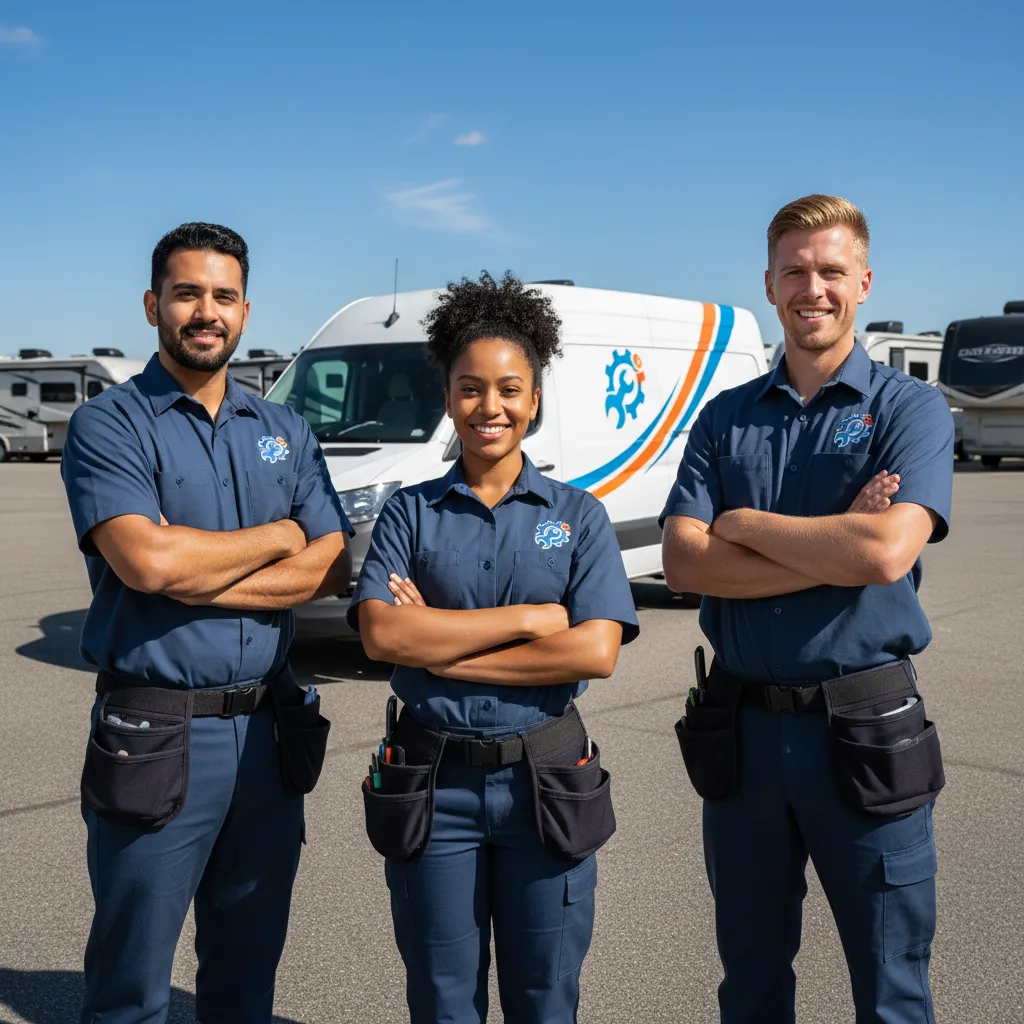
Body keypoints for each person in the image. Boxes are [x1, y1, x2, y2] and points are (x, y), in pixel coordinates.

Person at [661, 195, 953, 1023]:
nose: (812, 287)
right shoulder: (725, 418)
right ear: (768, 283)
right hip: (744, 733)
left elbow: (885, 552)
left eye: (831, 270)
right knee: (750, 982)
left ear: (863, 280)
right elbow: (684, 562)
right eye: (795, 270)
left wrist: (743, 529)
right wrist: (836, 543)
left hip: (865, 728)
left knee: (892, 988)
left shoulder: (910, 410)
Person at [60, 222, 353, 1023]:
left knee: (245, 974)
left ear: (247, 312)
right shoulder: (109, 425)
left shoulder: (284, 430)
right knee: (132, 985)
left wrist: (193, 571)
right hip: (154, 727)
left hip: (267, 730)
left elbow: (330, 566)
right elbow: (147, 565)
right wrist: (277, 538)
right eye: (187, 293)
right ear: (154, 304)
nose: (205, 311)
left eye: (223, 296)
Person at [347, 271, 639, 1023]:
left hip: (544, 780)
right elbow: (383, 633)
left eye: (509, 389)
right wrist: (532, 616)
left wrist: (436, 648)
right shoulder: (408, 513)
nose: (491, 407)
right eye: (470, 388)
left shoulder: (579, 516)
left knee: (545, 999)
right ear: (448, 396)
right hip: (432, 781)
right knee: (443, 1001)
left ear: (535, 398)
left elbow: (593, 652)